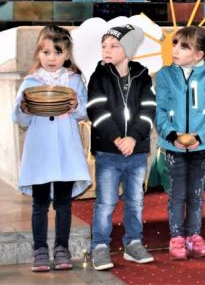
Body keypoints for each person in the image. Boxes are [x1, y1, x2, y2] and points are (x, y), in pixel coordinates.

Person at [13, 26, 91, 272]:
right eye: (46, 52)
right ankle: (39, 250)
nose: (51, 58)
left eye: (58, 52)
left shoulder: (74, 79)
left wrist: (76, 104)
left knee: (63, 203)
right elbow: (20, 119)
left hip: (65, 150)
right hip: (40, 150)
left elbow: (84, 112)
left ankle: (61, 248)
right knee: (39, 204)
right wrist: (24, 109)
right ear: (38, 53)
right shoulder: (30, 81)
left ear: (67, 54)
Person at [88, 25, 156, 270]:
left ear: (127, 49)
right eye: (104, 45)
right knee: (105, 202)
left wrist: (134, 138)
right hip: (109, 151)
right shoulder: (99, 76)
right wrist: (117, 138)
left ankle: (133, 243)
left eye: (113, 45)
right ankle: (99, 246)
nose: (107, 50)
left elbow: (149, 109)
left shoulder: (142, 75)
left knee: (135, 201)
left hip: (136, 152)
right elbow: (97, 109)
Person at [154, 26, 205, 260]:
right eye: (175, 44)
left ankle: (193, 235)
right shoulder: (165, 75)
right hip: (174, 146)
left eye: (183, 46)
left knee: (196, 193)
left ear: (198, 55)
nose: (175, 49)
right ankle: (176, 237)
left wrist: (199, 136)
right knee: (177, 194)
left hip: (200, 146)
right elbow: (160, 111)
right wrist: (173, 135)